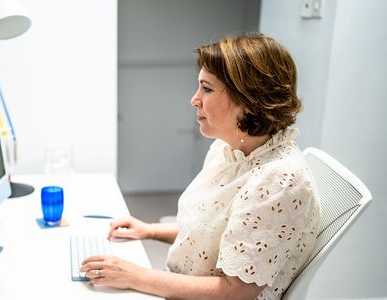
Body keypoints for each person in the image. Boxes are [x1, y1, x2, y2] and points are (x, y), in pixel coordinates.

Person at [80, 32, 320, 300]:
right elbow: (212, 233)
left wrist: (135, 276)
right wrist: (150, 230)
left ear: (248, 99)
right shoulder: (229, 149)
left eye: (206, 89)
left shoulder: (280, 180)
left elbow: (238, 291)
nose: (194, 99)